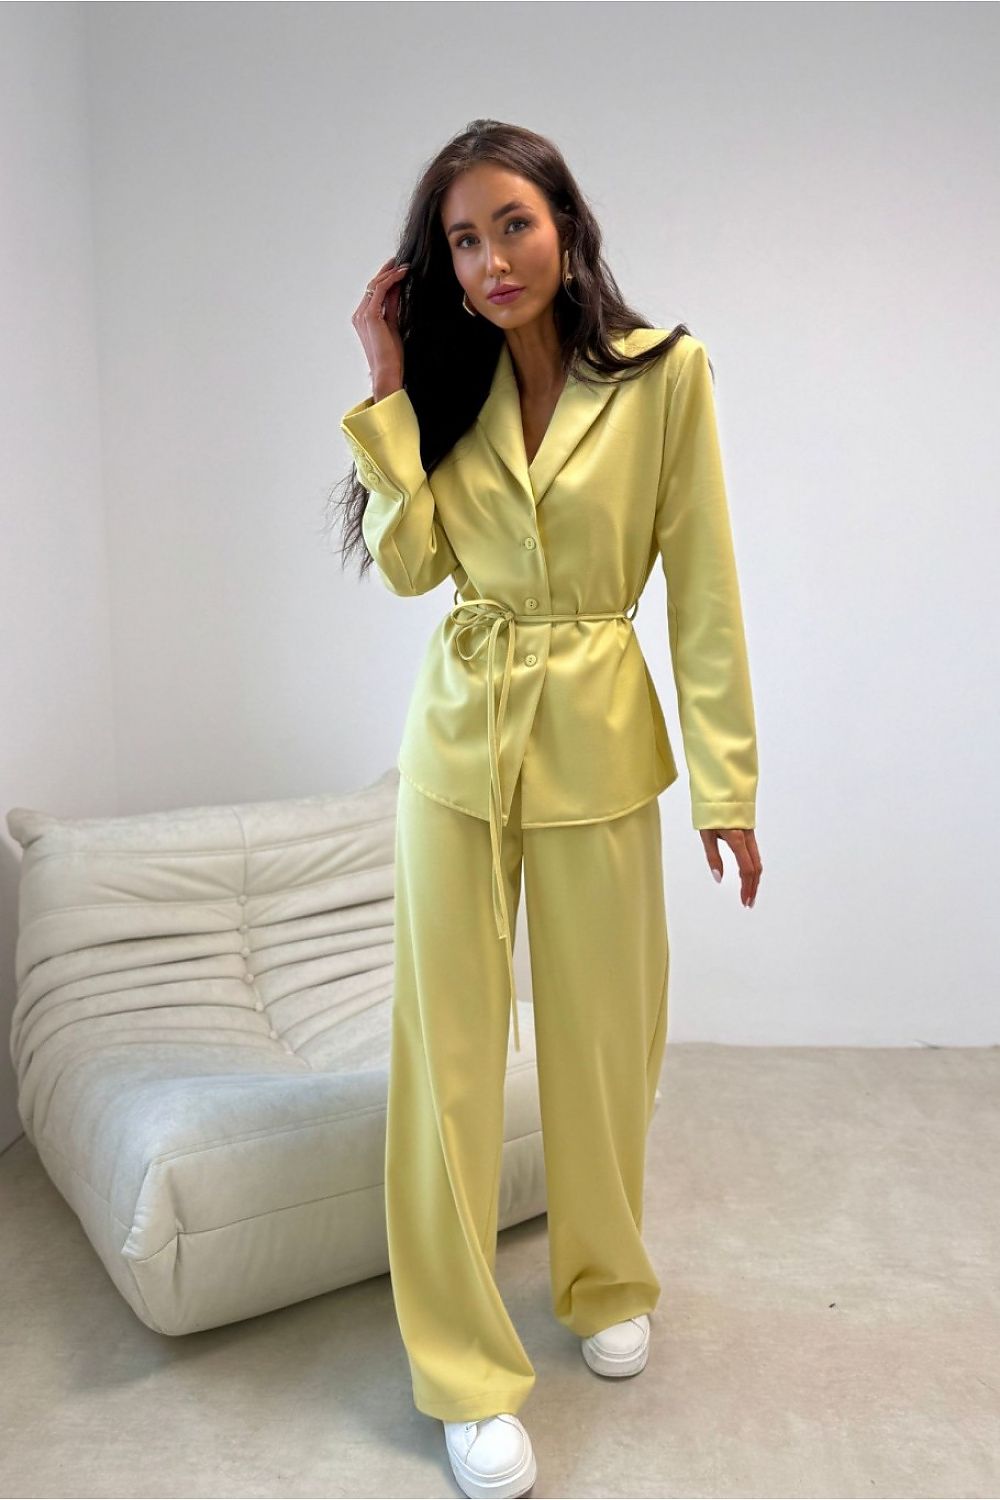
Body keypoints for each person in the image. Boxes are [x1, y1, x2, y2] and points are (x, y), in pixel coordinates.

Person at [334, 117, 763, 1500]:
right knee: (446, 1064)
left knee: (601, 1038)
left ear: (564, 223)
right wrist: (391, 383)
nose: (491, 256)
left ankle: (602, 1278)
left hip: (595, 735)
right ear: (442, 267)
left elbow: (701, 587)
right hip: (457, 744)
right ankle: (463, 1373)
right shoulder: (442, 385)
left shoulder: (663, 378)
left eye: (510, 222)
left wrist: (728, 781)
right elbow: (410, 570)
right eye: (462, 238)